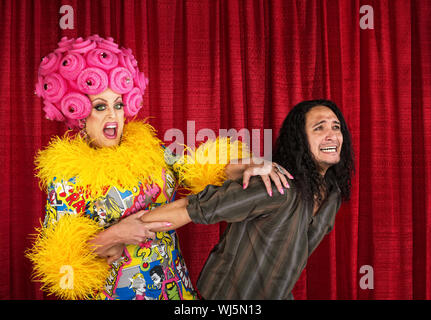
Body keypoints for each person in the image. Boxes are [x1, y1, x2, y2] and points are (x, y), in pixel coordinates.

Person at [26, 35, 291, 300]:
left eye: (118, 105)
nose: (112, 116)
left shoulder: (153, 152)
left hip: (173, 291)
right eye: (100, 106)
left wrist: (249, 166)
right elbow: (62, 263)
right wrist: (115, 235)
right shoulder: (66, 176)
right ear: (79, 113)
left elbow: (202, 168)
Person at [138, 99, 355, 299]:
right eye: (319, 127)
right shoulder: (276, 186)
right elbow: (191, 207)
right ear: (300, 140)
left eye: (336, 127)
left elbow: (291, 257)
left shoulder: (332, 194)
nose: (332, 135)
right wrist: (125, 230)